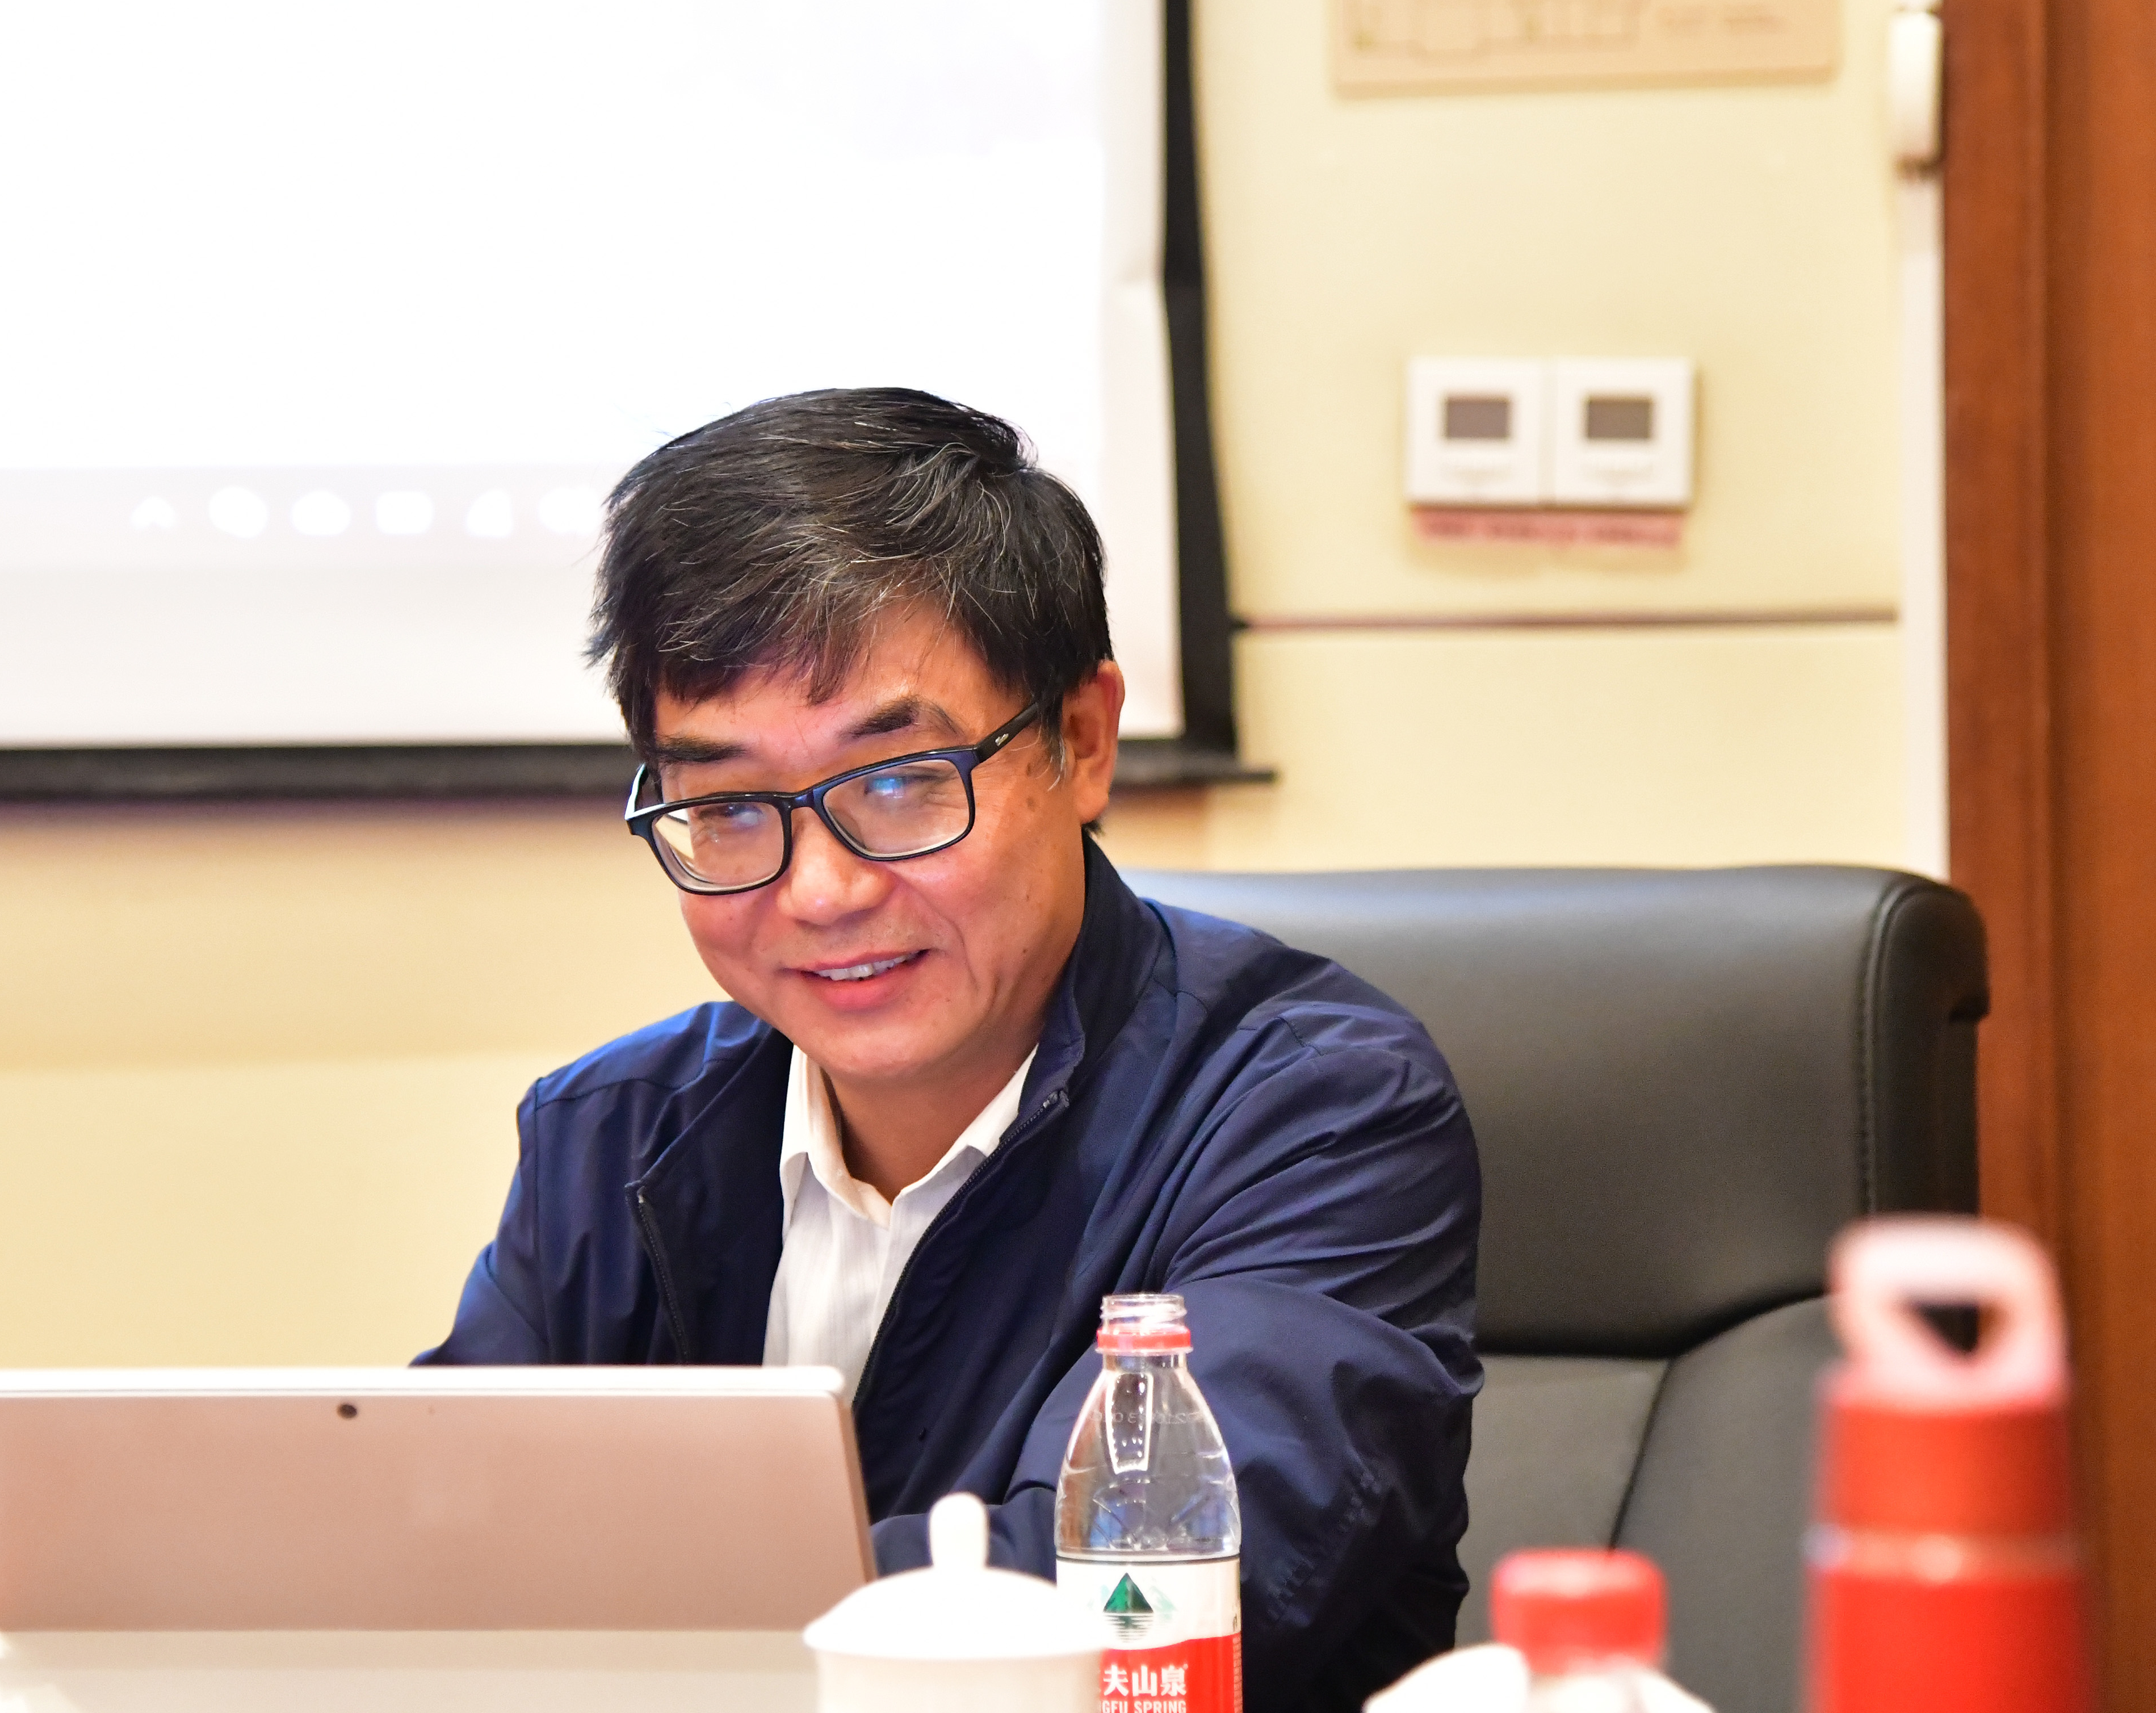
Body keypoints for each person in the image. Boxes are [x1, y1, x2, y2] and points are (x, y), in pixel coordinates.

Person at [418, 388, 1480, 1713]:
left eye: (900, 782)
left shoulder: (1316, 1113)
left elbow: (1139, 1599)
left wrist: (604, 1610)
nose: (819, 892)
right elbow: (437, 1551)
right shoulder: (612, 1133)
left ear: (1082, 742)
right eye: (729, 805)